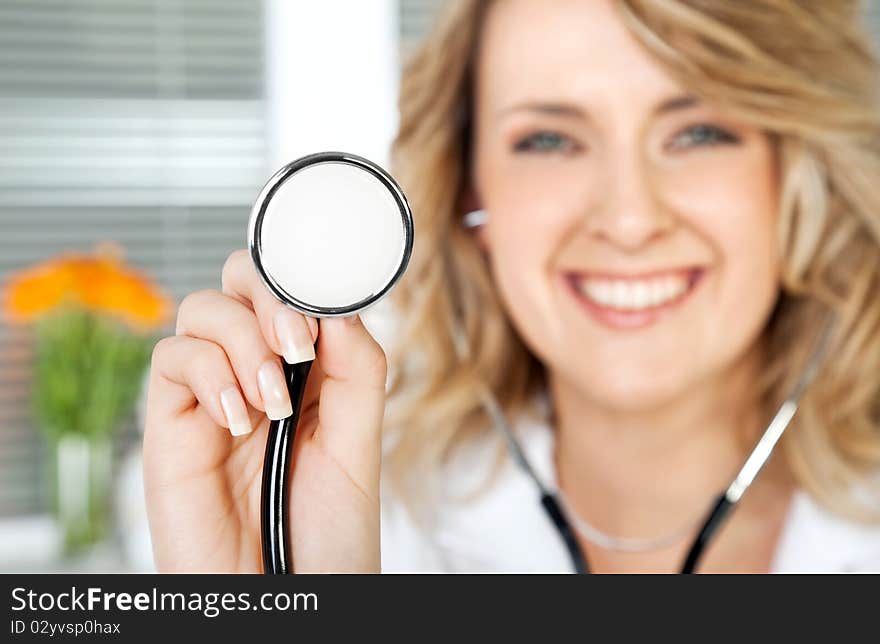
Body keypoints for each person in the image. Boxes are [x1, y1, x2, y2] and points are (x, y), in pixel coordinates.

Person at [143, 0, 880, 573]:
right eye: (550, 141)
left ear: (797, 176)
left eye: (699, 133)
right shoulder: (355, 515)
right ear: (469, 196)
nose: (628, 220)